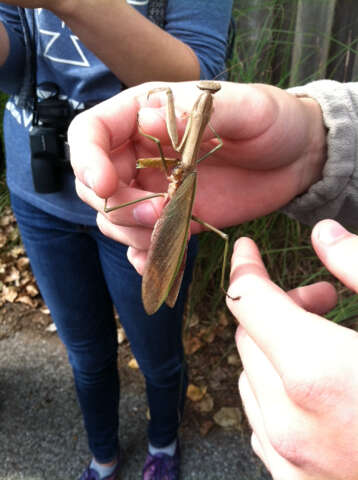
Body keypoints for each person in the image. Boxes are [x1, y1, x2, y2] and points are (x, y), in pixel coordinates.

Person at [68, 79, 358, 480]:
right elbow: (202, 146)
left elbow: (197, 148)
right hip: (180, 190)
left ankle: (157, 441)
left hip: (177, 197)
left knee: (182, 238)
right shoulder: (204, 148)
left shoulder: (201, 147)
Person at [0, 2, 234, 480]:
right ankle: (103, 455)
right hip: (40, 191)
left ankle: (163, 443)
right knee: (85, 354)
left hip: (146, 202)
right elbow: (14, 62)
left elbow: (195, 77)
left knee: (158, 354)